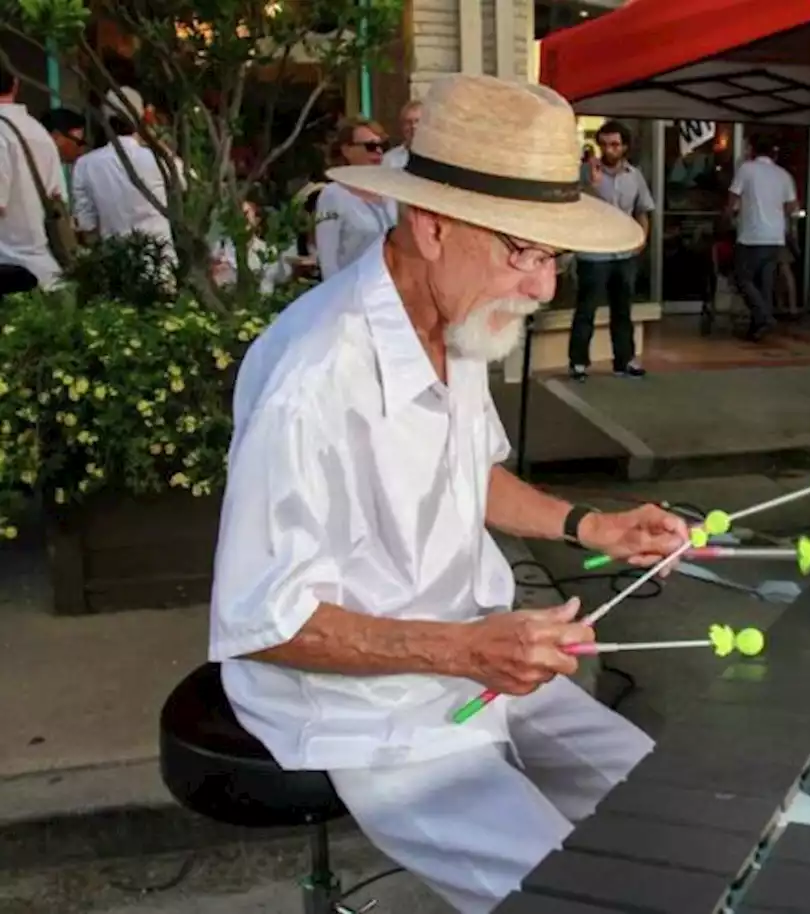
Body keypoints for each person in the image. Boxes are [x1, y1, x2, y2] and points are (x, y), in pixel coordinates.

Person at [209, 75, 685, 914]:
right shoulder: (315, 379)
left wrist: (593, 525)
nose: (543, 289)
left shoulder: (459, 324)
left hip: (468, 662)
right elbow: (266, 623)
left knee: (679, 824)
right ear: (430, 225)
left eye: (554, 257)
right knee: (576, 901)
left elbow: (468, 473)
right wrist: (465, 652)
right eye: (523, 252)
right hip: (365, 709)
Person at [568, 120, 653, 381]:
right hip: (594, 251)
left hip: (623, 252)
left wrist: (642, 239)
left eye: (615, 144)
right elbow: (572, 203)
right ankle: (578, 363)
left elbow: (643, 210)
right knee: (586, 309)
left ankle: (624, 361)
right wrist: (589, 183)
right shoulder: (586, 172)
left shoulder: (634, 175)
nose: (609, 150)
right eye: (604, 144)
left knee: (623, 309)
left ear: (624, 146)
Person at [71, 87, 176, 251]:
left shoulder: (85, 165)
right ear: (140, 118)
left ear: (104, 119)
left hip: (117, 265)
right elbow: (183, 184)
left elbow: (87, 225)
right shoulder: (159, 160)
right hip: (160, 262)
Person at [727, 134, 798, 341]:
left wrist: (728, 217)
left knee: (743, 279)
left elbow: (733, 199)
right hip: (775, 237)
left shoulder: (746, 169)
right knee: (764, 282)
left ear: (753, 149)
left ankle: (764, 317)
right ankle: (758, 326)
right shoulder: (783, 175)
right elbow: (792, 207)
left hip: (751, 235)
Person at [0, 71, 66, 293]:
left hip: (10, 277)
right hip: (47, 272)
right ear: (16, 84)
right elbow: (59, 199)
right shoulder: (38, 131)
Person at [313, 118, 397, 279]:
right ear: (347, 150)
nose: (378, 152)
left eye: (382, 147)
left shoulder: (388, 195)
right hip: (351, 291)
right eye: (370, 146)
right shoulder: (333, 195)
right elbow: (327, 259)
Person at [382, 100, 422, 170]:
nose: (413, 126)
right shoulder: (389, 159)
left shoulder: (440, 158)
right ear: (402, 126)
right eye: (408, 122)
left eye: (418, 121)